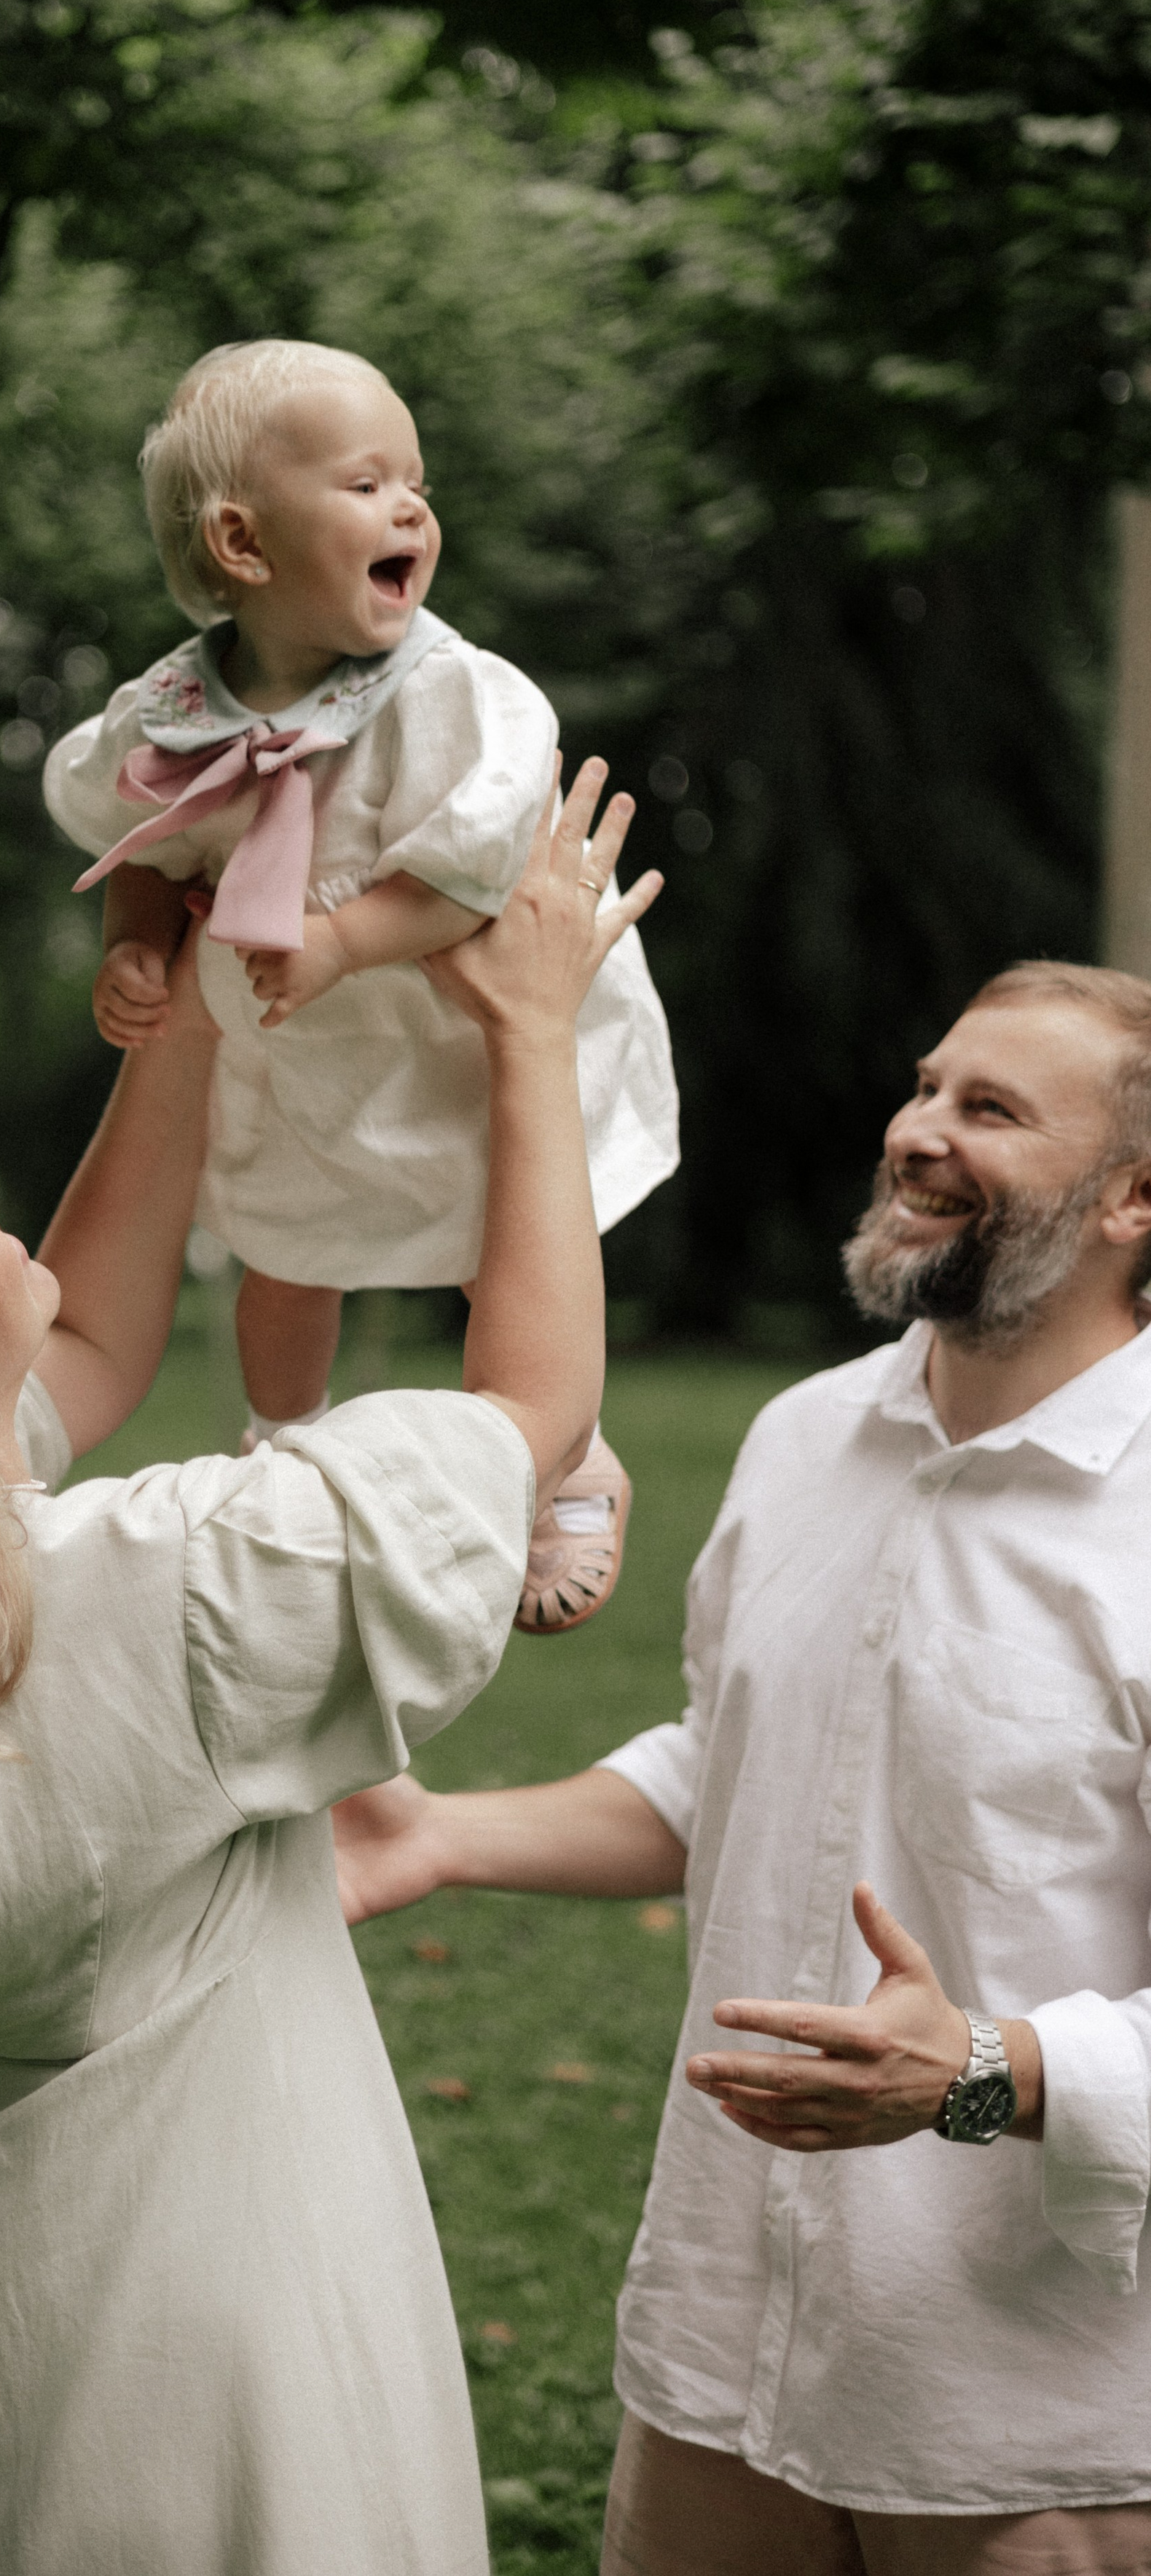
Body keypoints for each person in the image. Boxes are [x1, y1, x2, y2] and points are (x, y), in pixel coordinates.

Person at [0, 765, 661, 2576]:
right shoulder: (160, 1599)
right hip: (208, 2394)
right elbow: (529, 1413)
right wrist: (530, 1032)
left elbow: (84, 1319)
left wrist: (207, 985)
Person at [332, 960, 1151, 2575]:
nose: (915, 1132)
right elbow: (739, 1767)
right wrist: (432, 1835)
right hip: (718, 2358)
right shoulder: (800, 1441)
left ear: (1133, 1201)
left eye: (986, 1109)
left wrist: (984, 2068)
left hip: (1023, 2419)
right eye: (922, 1088)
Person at [43, 336, 677, 1628]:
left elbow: (477, 863)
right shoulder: (171, 709)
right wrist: (133, 940)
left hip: (454, 1016)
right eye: (368, 484)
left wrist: (341, 939)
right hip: (305, 1046)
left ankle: (566, 1444)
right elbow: (149, 839)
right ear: (243, 542)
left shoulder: (452, 697)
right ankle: (283, 1434)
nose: (412, 509)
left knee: (510, 1223)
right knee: (286, 1248)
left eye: (418, 484)